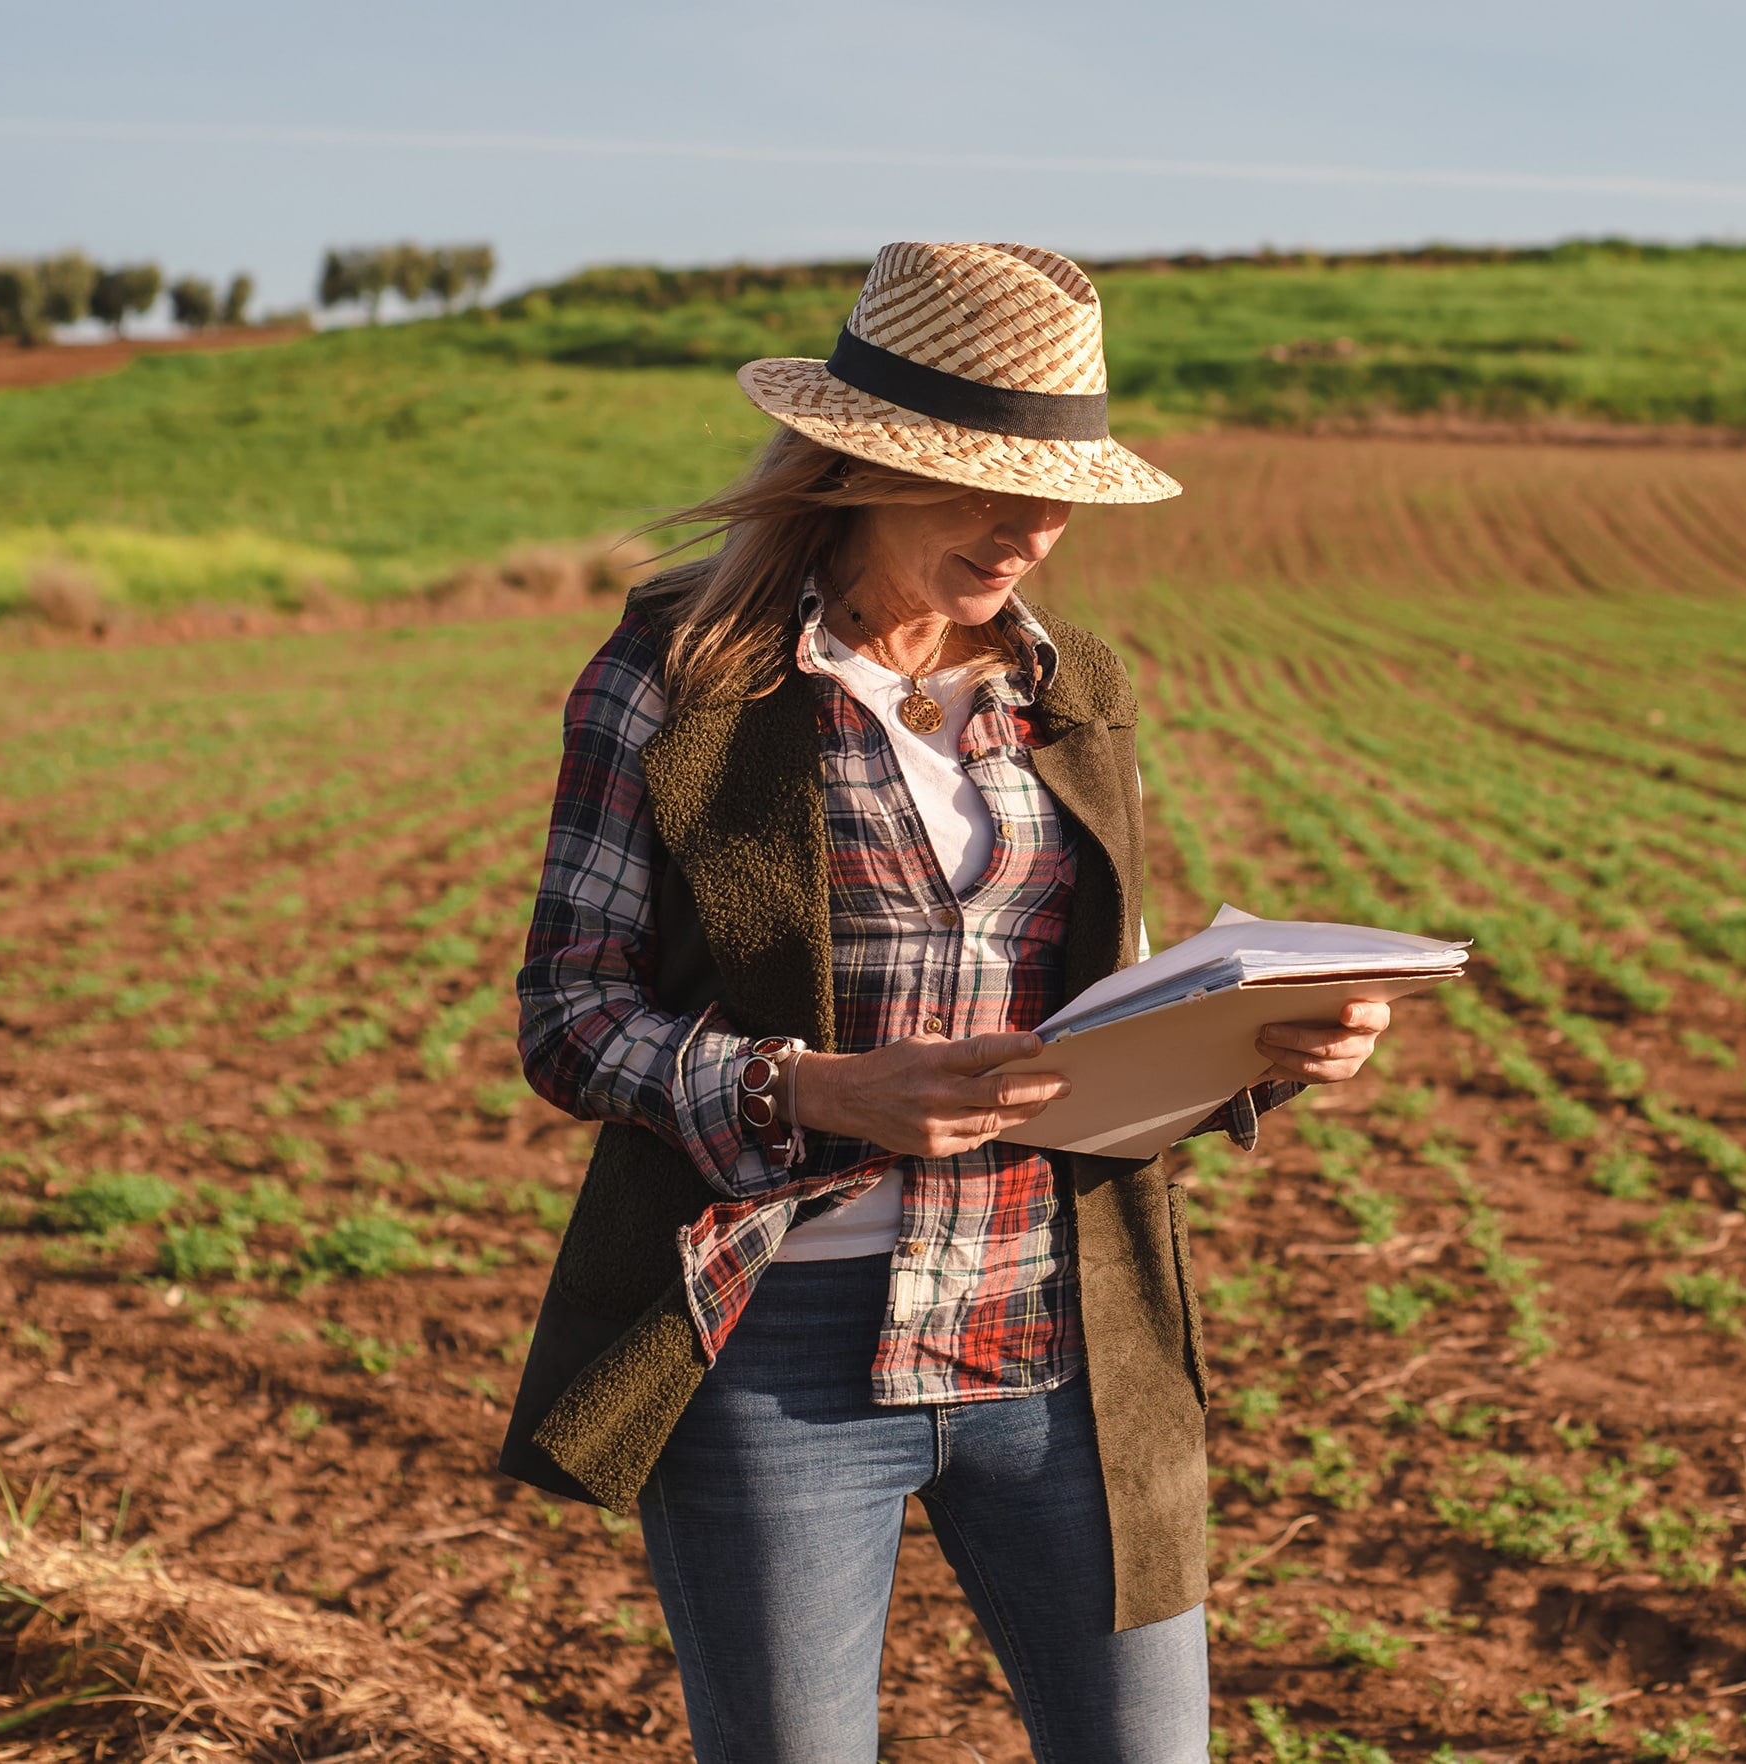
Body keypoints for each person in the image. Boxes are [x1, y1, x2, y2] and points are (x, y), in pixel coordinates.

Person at [498, 242, 1387, 1764]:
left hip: (1063, 1331)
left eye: (1058, 496)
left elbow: (1103, 1006)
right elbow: (571, 1017)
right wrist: (819, 1091)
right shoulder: (680, 672)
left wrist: (1259, 1046)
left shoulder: (1072, 685)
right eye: (987, 486)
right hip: (776, 1347)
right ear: (855, 463)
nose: (1031, 530)